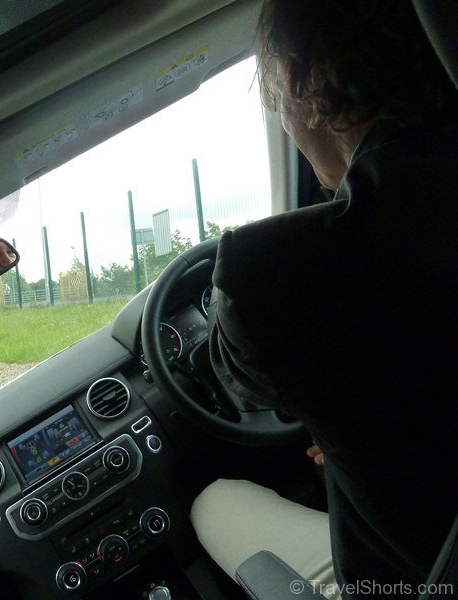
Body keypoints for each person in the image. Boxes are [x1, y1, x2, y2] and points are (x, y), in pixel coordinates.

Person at [190, 1, 458, 599]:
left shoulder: (269, 272)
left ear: (299, 83)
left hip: (413, 583)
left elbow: (244, 385)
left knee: (216, 501)